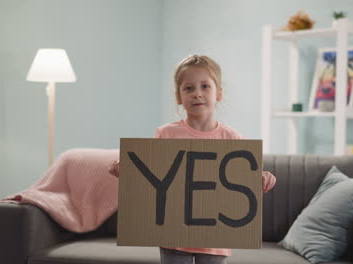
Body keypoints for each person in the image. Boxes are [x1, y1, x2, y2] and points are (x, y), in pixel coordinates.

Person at [109, 54, 276, 264]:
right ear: (179, 97)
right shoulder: (165, 134)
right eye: (189, 88)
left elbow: (241, 183)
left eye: (205, 86)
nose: (197, 94)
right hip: (173, 237)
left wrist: (260, 179)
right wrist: (129, 171)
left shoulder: (232, 138)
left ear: (219, 93)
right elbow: (151, 178)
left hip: (216, 239)